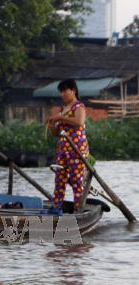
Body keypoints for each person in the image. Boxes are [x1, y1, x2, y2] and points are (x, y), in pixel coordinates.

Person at [47, 79, 89, 214]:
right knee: (60, 179)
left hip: (77, 150)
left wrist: (60, 118)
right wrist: (52, 124)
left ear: (73, 90)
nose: (62, 94)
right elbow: (56, 133)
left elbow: (79, 121)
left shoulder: (79, 107)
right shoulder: (62, 109)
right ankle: (56, 207)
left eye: (65, 91)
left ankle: (79, 209)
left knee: (77, 181)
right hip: (62, 151)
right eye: (61, 91)